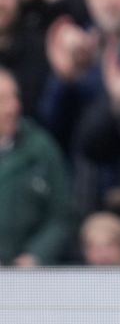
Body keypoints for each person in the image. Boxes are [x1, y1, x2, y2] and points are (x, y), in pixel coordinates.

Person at [0, 66, 76, 267]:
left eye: (15, 98)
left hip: (27, 277)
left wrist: (36, 255)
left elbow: (62, 215)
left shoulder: (41, 148)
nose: (13, 107)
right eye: (3, 100)